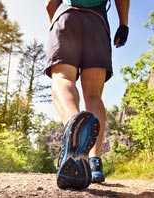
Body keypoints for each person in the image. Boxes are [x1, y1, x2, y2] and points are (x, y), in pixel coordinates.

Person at [44, 0, 130, 190]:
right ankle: (94, 162)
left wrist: (55, 26)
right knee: (93, 96)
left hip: (67, 16)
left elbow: (51, 4)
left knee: (63, 78)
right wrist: (123, 24)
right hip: (97, 23)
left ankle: (74, 125)